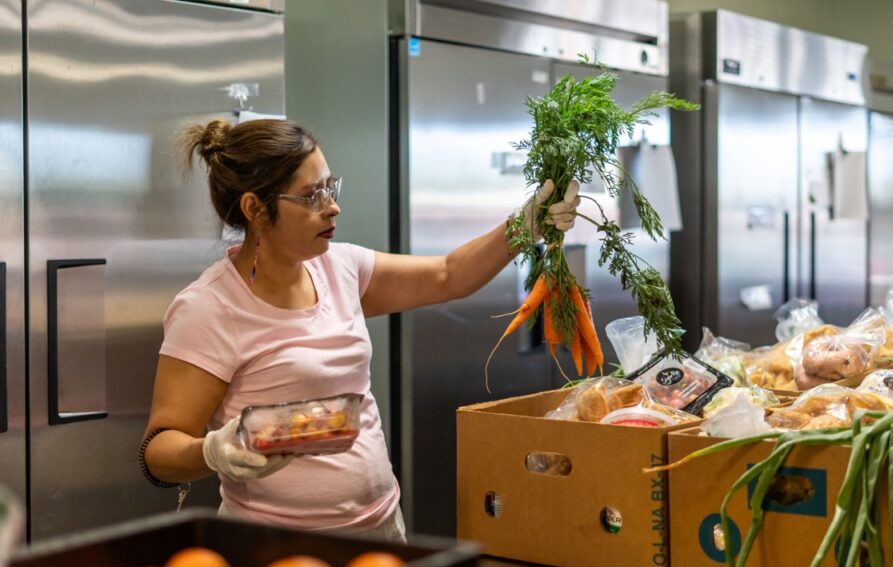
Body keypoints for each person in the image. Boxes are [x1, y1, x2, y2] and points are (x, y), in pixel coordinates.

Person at [139, 118, 579, 540]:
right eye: (311, 196)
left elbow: (449, 275)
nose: (333, 206)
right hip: (274, 549)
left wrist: (524, 227)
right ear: (256, 209)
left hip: (382, 528)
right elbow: (158, 451)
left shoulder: (339, 268)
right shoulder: (210, 307)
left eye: (331, 186)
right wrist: (215, 451)